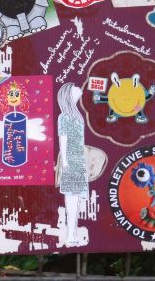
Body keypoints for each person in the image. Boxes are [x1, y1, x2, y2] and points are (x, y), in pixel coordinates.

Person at [57, 83, 88, 246]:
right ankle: (70, 235)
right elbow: (63, 140)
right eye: (75, 87)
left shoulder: (76, 115)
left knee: (75, 200)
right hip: (70, 162)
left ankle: (72, 233)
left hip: (79, 161)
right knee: (71, 199)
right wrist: (65, 162)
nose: (78, 89)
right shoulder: (64, 117)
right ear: (68, 94)